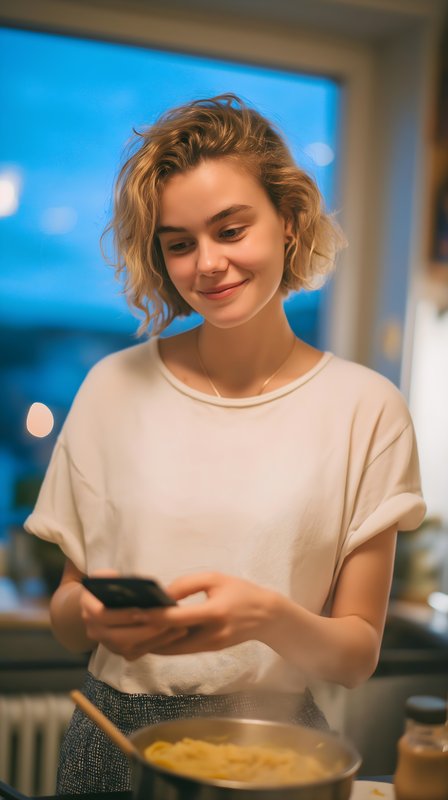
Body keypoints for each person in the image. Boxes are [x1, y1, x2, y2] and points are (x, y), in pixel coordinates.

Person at [25, 94, 426, 792]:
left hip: (271, 741)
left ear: (290, 222)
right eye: (179, 243)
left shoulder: (368, 410)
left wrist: (264, 616)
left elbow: (356, 654)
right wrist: (88, 612)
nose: (207, 263)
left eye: (230, 229)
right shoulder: (111, 388)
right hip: (109, 737)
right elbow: (66, 616)